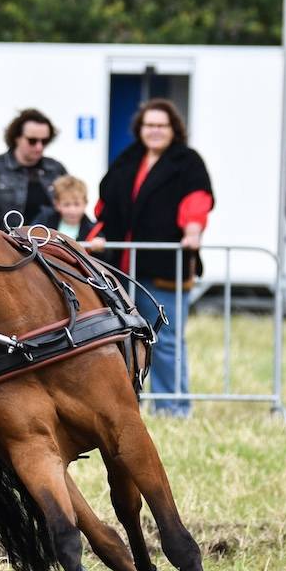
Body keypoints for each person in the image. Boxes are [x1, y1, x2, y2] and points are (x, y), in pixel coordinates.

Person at [94, 98, 213, 417]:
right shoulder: (127, 159)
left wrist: (192, 232)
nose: (155, 131)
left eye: (162, 125)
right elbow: (105, 205)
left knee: (165, 339)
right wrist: (97, 235)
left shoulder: (187, 161)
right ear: (140, 129)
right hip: (120, 269)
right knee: (121, 338)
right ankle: (127, 406)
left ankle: (172, 407)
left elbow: (197, 201)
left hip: (164, 267)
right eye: (149, 125)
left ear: (173, 129)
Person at [0, 108, 67, 229]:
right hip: (3, 239)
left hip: (49, 239)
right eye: (32, 141)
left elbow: (75, 208)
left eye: (44, 141)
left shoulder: (56, 169)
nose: (39, 147)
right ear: (17, 138)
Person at [30, 175, 102, 248]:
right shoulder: (44, 220)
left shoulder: (93, 230)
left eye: (77, 204)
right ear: (57, 204)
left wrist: (98, 247)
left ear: (85, 203)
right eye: (66, 205)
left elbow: (104, 253)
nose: (72, 210)